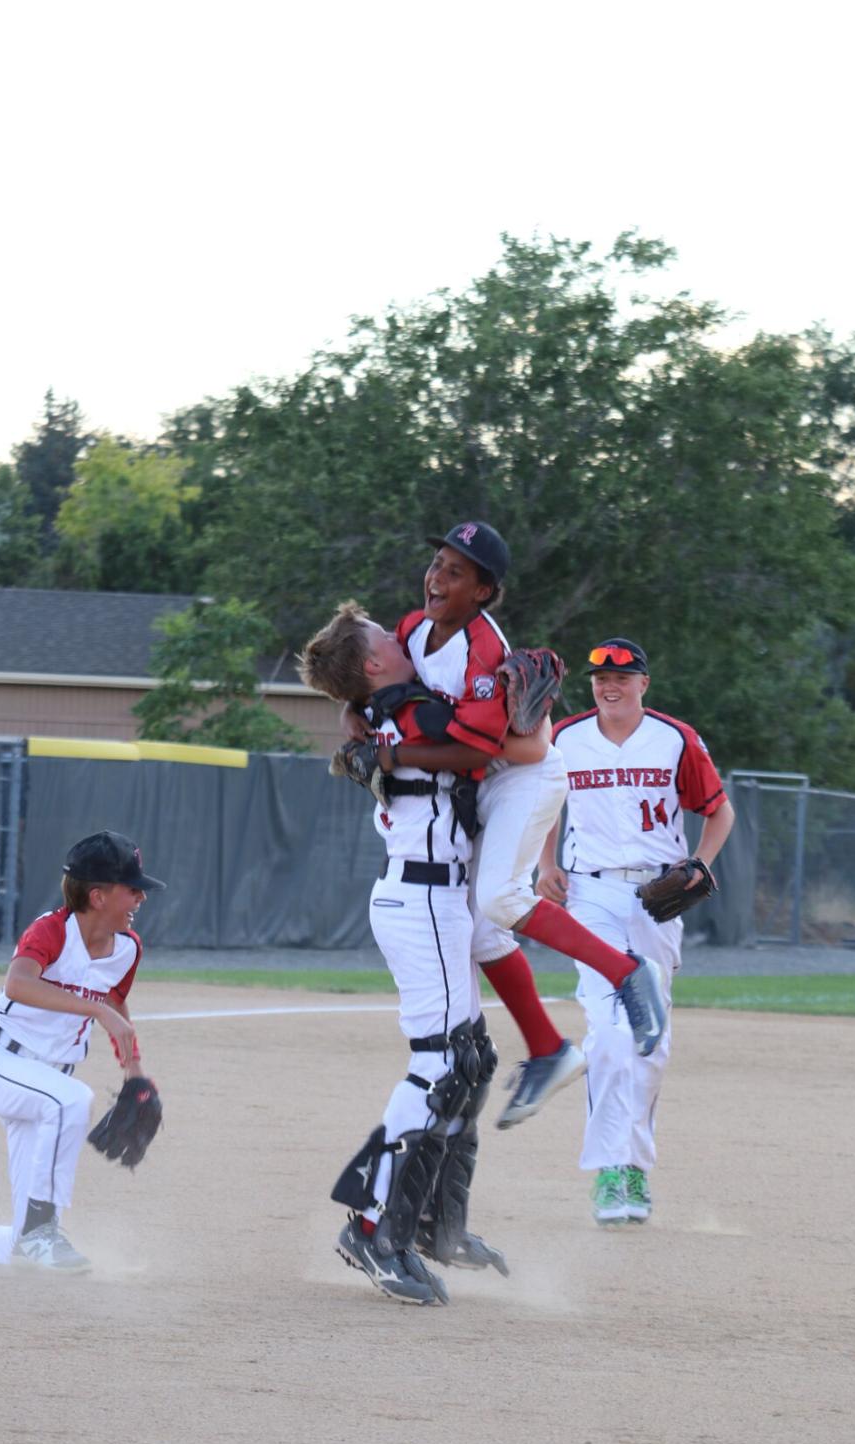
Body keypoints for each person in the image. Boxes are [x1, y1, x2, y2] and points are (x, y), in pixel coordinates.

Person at [345, 521, 668, 1129]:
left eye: (456, 572)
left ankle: (627, 971)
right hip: (488, 785)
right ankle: (547, 1049)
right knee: (479, 929)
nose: (437, 578)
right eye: (437, 563)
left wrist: (390, 755)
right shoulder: (414, 629)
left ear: (484, 592)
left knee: (498, 896)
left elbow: (474, 753)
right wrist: (350, 707)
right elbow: (374, 671)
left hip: (524, 780)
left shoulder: (483, 651)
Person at [299, 602, 508, 1306]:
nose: (404, 634)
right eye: (388, 637)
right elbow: (483, 743)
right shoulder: (410, 710)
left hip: (433, 898)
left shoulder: (390, 708)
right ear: (373, 664)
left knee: (471, 1060)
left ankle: (435, 1222)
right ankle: (370, 1224)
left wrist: (353, 715)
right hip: (421, 899)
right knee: (441, 1064)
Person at [536, 638, 735, 1227]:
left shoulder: (674, 738)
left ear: (644, 683)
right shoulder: (565, 737)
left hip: (657, 897)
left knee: (648, 1039)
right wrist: (546, 866)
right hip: (590, 893)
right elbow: (544, 805)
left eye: (622, 675)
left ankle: (635, 1166)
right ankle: (610, 1170)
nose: (609, 684)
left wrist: (700, 862)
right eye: (600, 676)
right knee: (608, 1030)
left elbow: (719, 809)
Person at [0, 831, 166, 1275]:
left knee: (21, 1240)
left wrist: (135, 1073)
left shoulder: (127, 949)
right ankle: (44, 1228)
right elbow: (18, 983)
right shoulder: (53, 930)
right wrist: (97, 1009)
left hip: (45, 1079)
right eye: (131, 888)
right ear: (97, 895)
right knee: (71, 1099)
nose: (140, 897)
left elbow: (115, 1003)